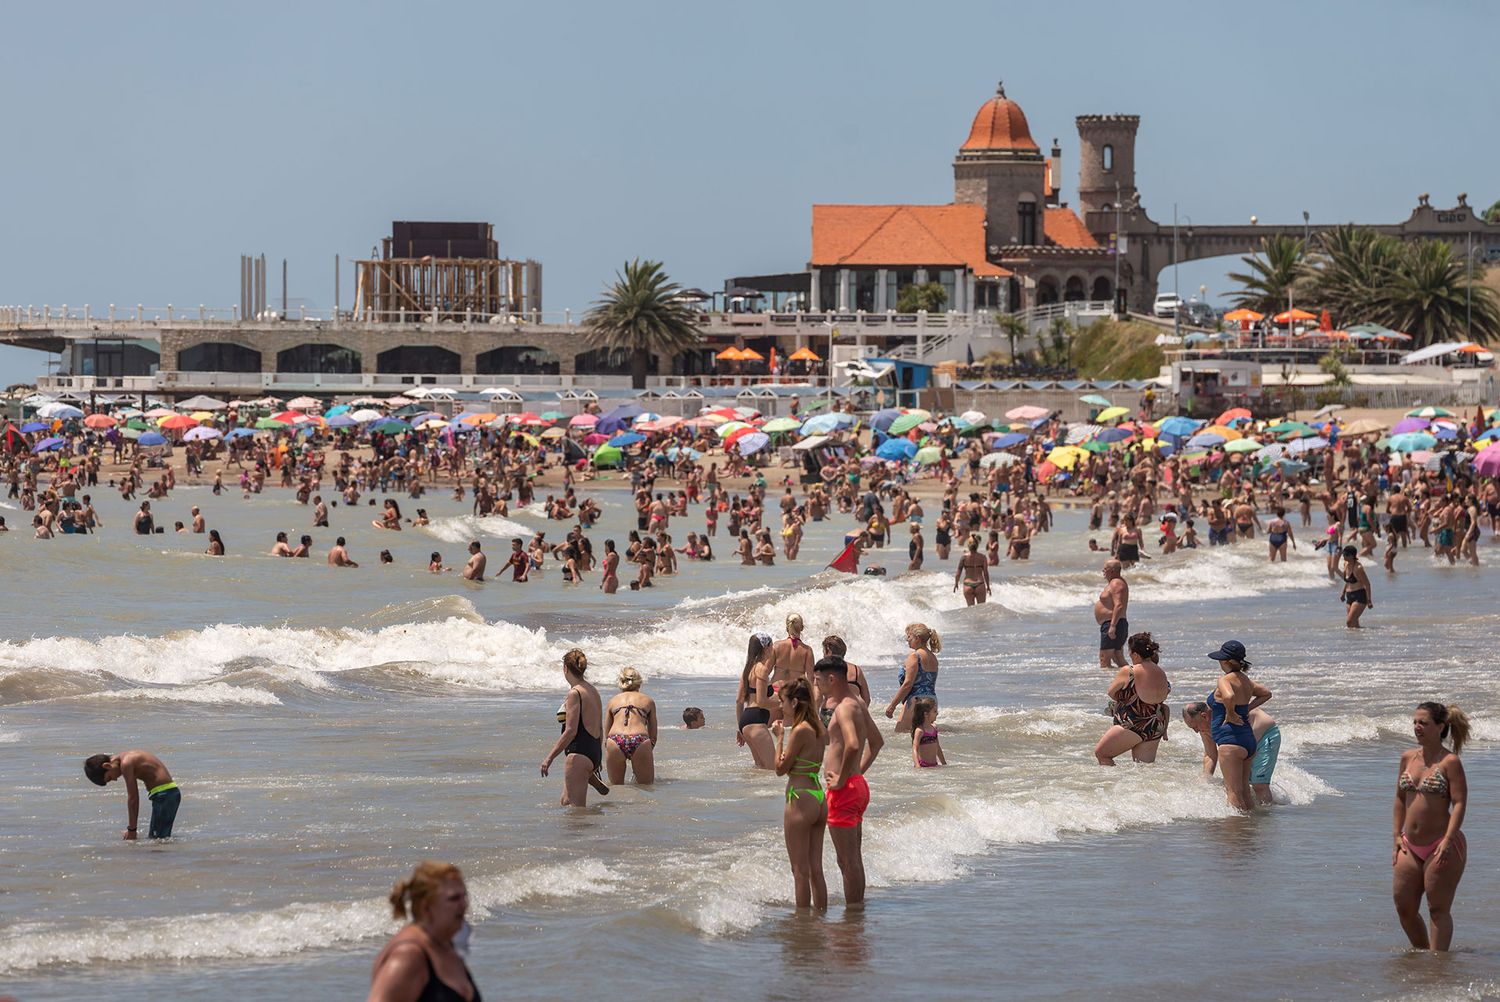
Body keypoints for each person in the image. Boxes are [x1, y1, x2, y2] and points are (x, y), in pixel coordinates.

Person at [1393, 701, 1470, 952]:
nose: (1417, 727)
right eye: (1415, 722)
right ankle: (1424, 956)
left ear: (1440, 727)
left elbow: (1459, 802)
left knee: (1438, 909)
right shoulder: (1407, 758)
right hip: (1408, 844)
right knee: (1404, 907)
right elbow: (1399, 799)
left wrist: (1448, 840)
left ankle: (1438, 968)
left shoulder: (1450, 762)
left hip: (1442, 844)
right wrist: (1396, 836)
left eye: (1423, 723)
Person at [815, 655, 883, 906]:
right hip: (856, 786)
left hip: (844, 790)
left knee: (846, 860)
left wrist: (843, 779)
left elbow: (854, 744)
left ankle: (853, 918)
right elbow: (876, 743)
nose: (817, 684)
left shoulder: (843, 707)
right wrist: (856, 775)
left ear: (831, 678)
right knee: (852, 858)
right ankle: (857, 913)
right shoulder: (857, 703)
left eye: (818, 680)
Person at [367, 861, 480, 1002]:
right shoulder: (407, 956)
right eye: (454, 898)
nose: (464, 905)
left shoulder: (446, 944)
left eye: (464, 896)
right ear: (426, 908)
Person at [774, 677, 828, 910]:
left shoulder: (799, 730)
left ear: (794, 702)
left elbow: (779, 769)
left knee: (799, 870)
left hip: (799, 797)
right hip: (817, 794)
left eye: (783, 701)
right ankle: (821, 917)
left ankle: (804, 927)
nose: (780, 706)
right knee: (816, 868)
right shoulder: (818, 728)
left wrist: (779, 738)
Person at [1182, 691, 1280, 806]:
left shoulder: (1223, 711)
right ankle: (1250, 817)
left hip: (1265, 735)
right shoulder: (1204, 727)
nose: (1196, 731)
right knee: (1236, 784)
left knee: (1259, 785)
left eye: (1195, 726)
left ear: (1204, 716)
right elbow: (1210, 755)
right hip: (1244, 746)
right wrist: (1205, 779)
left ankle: (1267, 815)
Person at [540, 649, 607, 807]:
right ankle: (589, 775)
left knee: (577, 815)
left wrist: (549, 758)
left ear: (565, 668)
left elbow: (571, 731)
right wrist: (598, 757)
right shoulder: (593, 690)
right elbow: (599, 726)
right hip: (593, 751)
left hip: (578, 754)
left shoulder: (575, 693)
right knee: (565, 802)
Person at [1206, 640, 1268, 811]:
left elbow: (1229, 696)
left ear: (1225, 661)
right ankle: (1249, 830)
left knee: (1232, 792)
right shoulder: (1246, 681)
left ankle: (1235, 833)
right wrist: (1247, 709)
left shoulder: (1224, 679)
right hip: (1247, 740)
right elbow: (1266, 694)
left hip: (1230, 741)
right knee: (1244, 791)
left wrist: (1231, 714)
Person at [1094, 632, 1171, 765]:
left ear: (1135, 654)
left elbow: (1111, 692)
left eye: (1130, 654)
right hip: (1156, 726)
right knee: (1143, 770)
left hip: (1133, 724)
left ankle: (1111, 785)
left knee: (1102, 754)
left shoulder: (1129, 671)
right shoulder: (1160, 672)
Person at [83, 749, 180, 840]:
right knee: (158, 838)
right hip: (166, 794)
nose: (115, 779)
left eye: (109, 777)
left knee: (157, 841)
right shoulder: (126, 757)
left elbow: (133, 798)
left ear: (107, 766)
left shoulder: (126, 763)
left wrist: (132, 830)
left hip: (165, 795)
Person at [604, 667, 658, 785]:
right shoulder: (648, 700)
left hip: (615, 739)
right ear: (639, 683)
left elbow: (606, 732)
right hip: (639, 738)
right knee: (646, 787)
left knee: (616, 787)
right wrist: (646, 751)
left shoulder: (612, 701)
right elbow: (653, 734)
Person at [884, 623, 940, 734]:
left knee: (900, 734)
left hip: (916, 702)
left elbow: (908, 684)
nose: (907, 640)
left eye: (909, 637)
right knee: (926, 737)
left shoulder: (915, 656)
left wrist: (892, 706)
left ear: (917, 638)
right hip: (932, 701)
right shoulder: (933, 657)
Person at [735, 632, 778, 769]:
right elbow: (761, 701)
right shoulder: (762, 669)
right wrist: (782, 703)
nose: (773, 649)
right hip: (756, 720)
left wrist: (740, 728)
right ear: (766, 648)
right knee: (772, 768)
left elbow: (739, 700)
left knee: (760, 768)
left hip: (746, 721)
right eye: (771, 645)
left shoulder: (748, 669)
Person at [1095, 559, 1129, 669]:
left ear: (1113, 571)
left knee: (1104, 659)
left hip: (1113, 623)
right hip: (1115, 623)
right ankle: (1133, 679)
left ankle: (1106, 684)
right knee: (1117, 658)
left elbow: (1118, 605)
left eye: (1105, 569)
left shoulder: (1116, 583)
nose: (1103, 572)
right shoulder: (1114, 583)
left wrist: (1112, 626)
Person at [1339, 544, 1373, 628]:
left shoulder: (1358, 568)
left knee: (1349, 622)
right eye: (1343, 554)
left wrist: (1369, 600)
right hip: (1349, 596)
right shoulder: (1345, 564)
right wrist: (1343, 593)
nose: (1344, 556)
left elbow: (1367, 584)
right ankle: (1357, 639)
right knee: (1354, 624)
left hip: (1359, 596)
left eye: (1346, 555)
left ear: (1352, 556)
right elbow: (1347, 582)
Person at [953, 533, 991, 606]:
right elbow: (985, 573)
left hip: (968, 585)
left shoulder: (964, 557)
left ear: (968, 545)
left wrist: (956, 584)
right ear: (977, 545)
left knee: (970, 610)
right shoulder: (983, 557)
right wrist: (988, 586)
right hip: (980, 584)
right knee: (981, 608)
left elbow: (958, 572)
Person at [910, 698, 946, 768]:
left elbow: (938, 748)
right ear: (926, 714)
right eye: (935, 711)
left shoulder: (934, 728)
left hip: (934, 765)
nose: (937, 713)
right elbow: (915, 748)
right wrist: (917, 765)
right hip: (923, 766)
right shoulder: (920, 730)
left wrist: (944, 763)